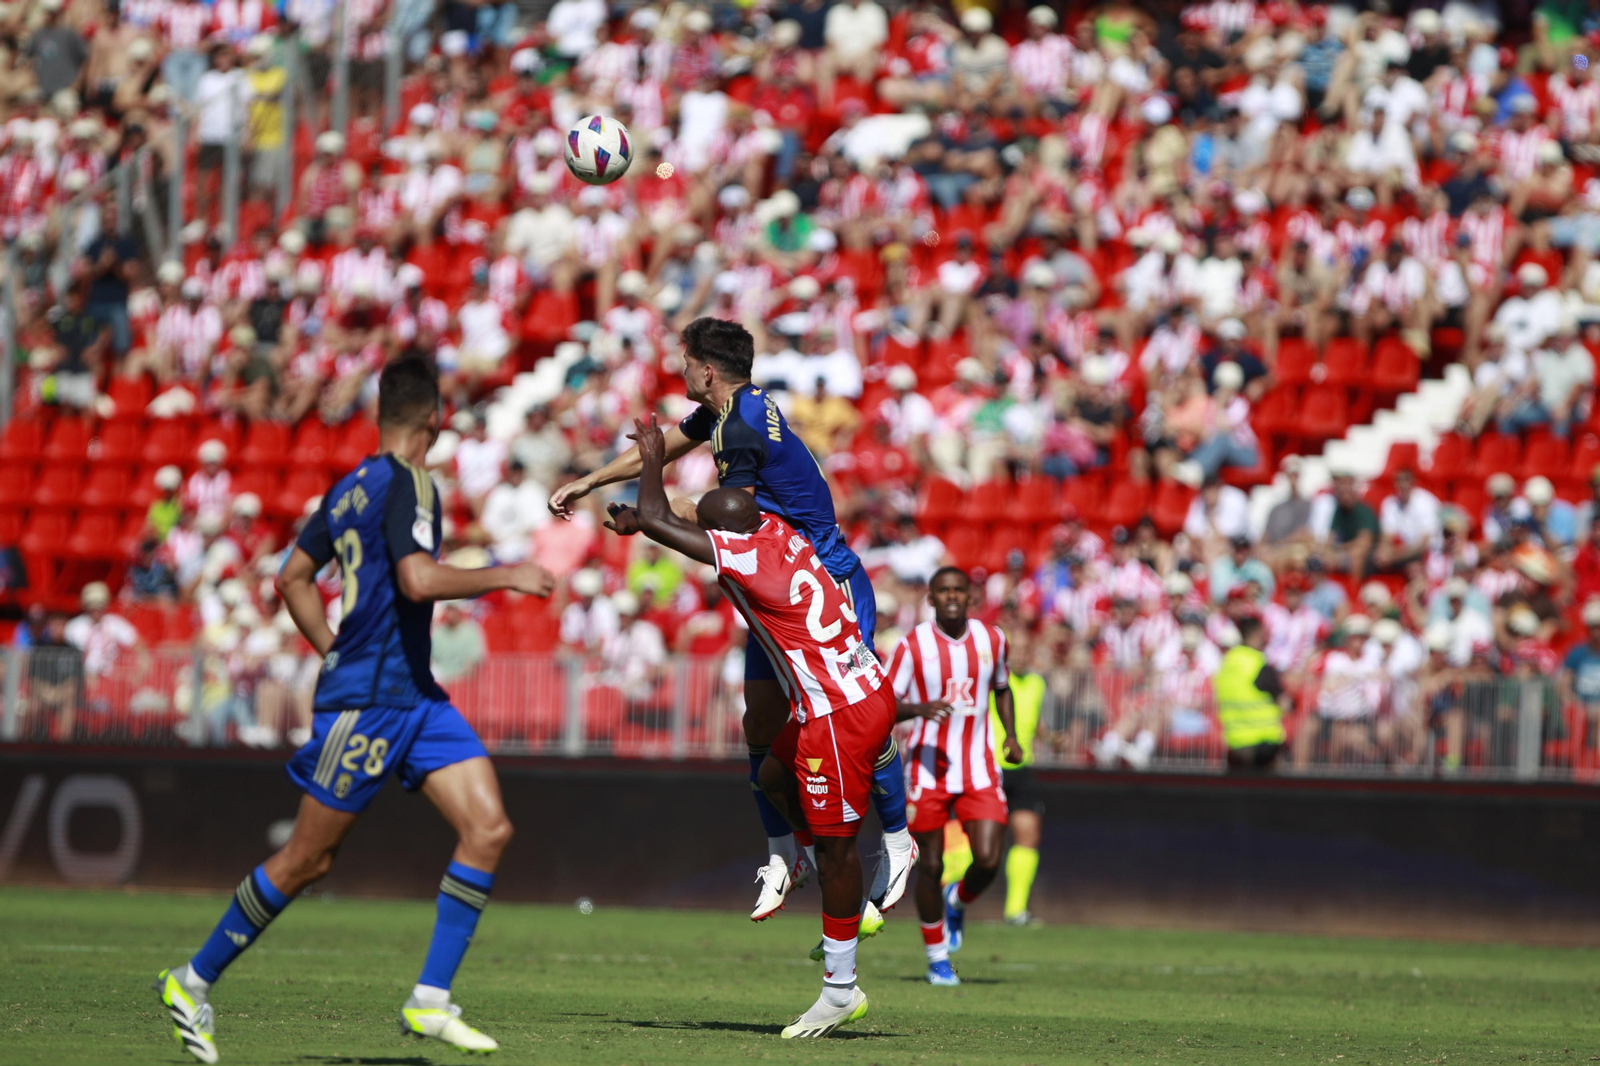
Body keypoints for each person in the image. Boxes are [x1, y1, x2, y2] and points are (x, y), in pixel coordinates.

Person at [153, 360, 556, 1062]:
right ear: (433, 418)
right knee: (309, 861)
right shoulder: (411, 483)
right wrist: (506, 572)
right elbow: (418, 578)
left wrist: (330, 647)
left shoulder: (348, 488)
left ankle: (430, 1001)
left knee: (487, 828)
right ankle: (192, 979)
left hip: (414, 696)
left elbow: (291, 577)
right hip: (370, 703)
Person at [549, 317, 914, 921]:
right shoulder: (734, 411)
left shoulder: (739, 428)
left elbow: (728, 516)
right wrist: (588, 481)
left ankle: (898, 840)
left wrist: (652, 515)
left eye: (684, 361)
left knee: (856, 710)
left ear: (706, 369)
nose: (680, 370)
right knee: (759, 724)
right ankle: (785, 855)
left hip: (824, 584)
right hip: (780, 593)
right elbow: (664, 446)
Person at [604, 414, 890, 1039]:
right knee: (770, 773)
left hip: (839, 712)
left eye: (706, 528)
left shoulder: (749, 560)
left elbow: (661, 519)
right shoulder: (777, 532)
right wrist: (651, 522)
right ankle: (815, 860)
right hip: (852, 689)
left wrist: (654, 457)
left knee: (841, 846)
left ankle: (841, 987)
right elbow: (679, 523)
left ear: (724, 533)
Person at [886, 567, 1022, 986]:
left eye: (958, 590)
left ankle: (957, 901)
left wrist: (1011, 736)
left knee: (988, 858)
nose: (950, 597)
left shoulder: (993, 639)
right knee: (930, 864)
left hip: (979, 767)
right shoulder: (913, 646)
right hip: (927, 769)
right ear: (930, 599)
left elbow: (1002, 687)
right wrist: (918, 710)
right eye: (942, 591)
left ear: (970, 597)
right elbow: (885, 704)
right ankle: (937, 959)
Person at [994, 642, 1048, 926]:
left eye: (1028, 651)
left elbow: (1033, 719)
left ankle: (1015, 910)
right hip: (989, 766)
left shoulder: (1038, 683)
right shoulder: (994, 682)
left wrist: (1049, 737)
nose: (1024, 656)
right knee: (978, 841)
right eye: (1018, 652)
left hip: (1021, 767)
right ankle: (952, 897)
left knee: (1028, 834)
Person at [1213, 615, 1287, 773]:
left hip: (1235, 742)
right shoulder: (1258, 664)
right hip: (1263, 742)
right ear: (1258, 635)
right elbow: (1284, 704)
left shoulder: (1226, 663)